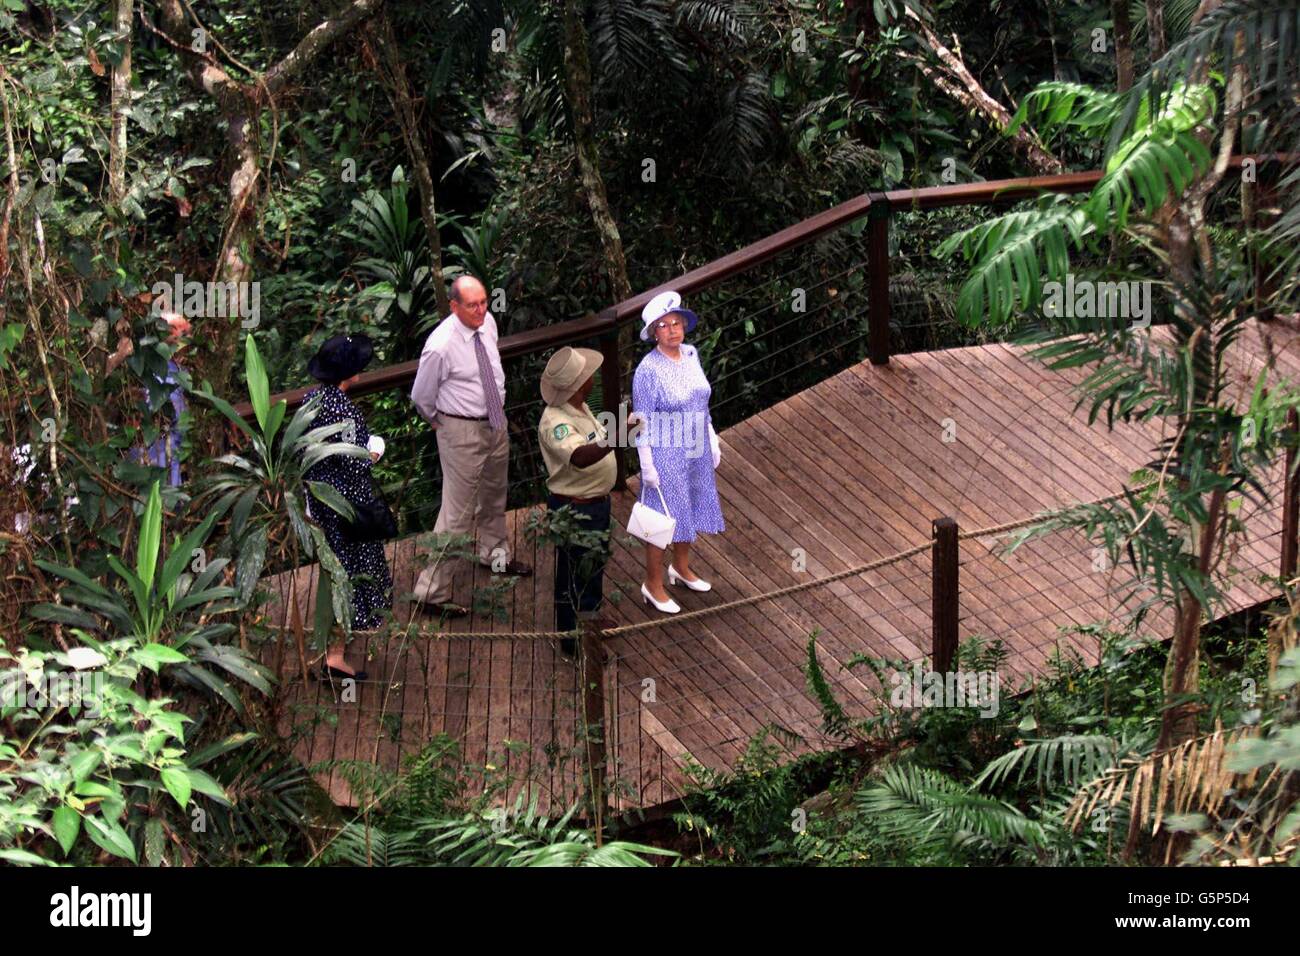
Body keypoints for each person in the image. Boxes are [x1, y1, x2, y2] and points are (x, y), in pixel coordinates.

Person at [410, 275, 532, 618]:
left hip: (495, 422)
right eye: (472, 305)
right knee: (457, 514)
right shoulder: (441, 345)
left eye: (484, 302)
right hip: (460, 430)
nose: (481, 310)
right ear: (454, 306)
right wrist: (441, 423)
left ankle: (494, 557)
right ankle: (430, 592)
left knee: (494, 494)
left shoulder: (488, 323)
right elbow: (421, 397)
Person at [302, 334, 393, 679]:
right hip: (345, 507)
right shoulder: (344, 409)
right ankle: (334, 657)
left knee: (334, 571)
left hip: (321, 501)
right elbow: (356, 461)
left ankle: (332, 650)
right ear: (350, 372)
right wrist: (375, 452)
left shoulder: (312, 399)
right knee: (349, 574)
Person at [633, 291, 725, 614]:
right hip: (665, 450)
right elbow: (639, 420)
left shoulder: (691, 354)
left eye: (677, 323)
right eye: (664, 325)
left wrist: (711, 437)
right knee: (661, 517)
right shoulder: (647, 370)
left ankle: (681, 568)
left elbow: (703, 400)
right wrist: (647, 464)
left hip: (696, 444)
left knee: (690, 504)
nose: (673, 330)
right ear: (654, 332)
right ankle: (653, 584)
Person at [538, 346, 632, 656]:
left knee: (592, 566)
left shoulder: (580, 408)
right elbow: (580, 457)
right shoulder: (555, 421)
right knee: (572, 574)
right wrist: (619, 434)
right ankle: (573, 640)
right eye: (587, 375)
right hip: (574, 508)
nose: (592, 377)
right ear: (578, 385)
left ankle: (591, 618)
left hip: (594, 503)